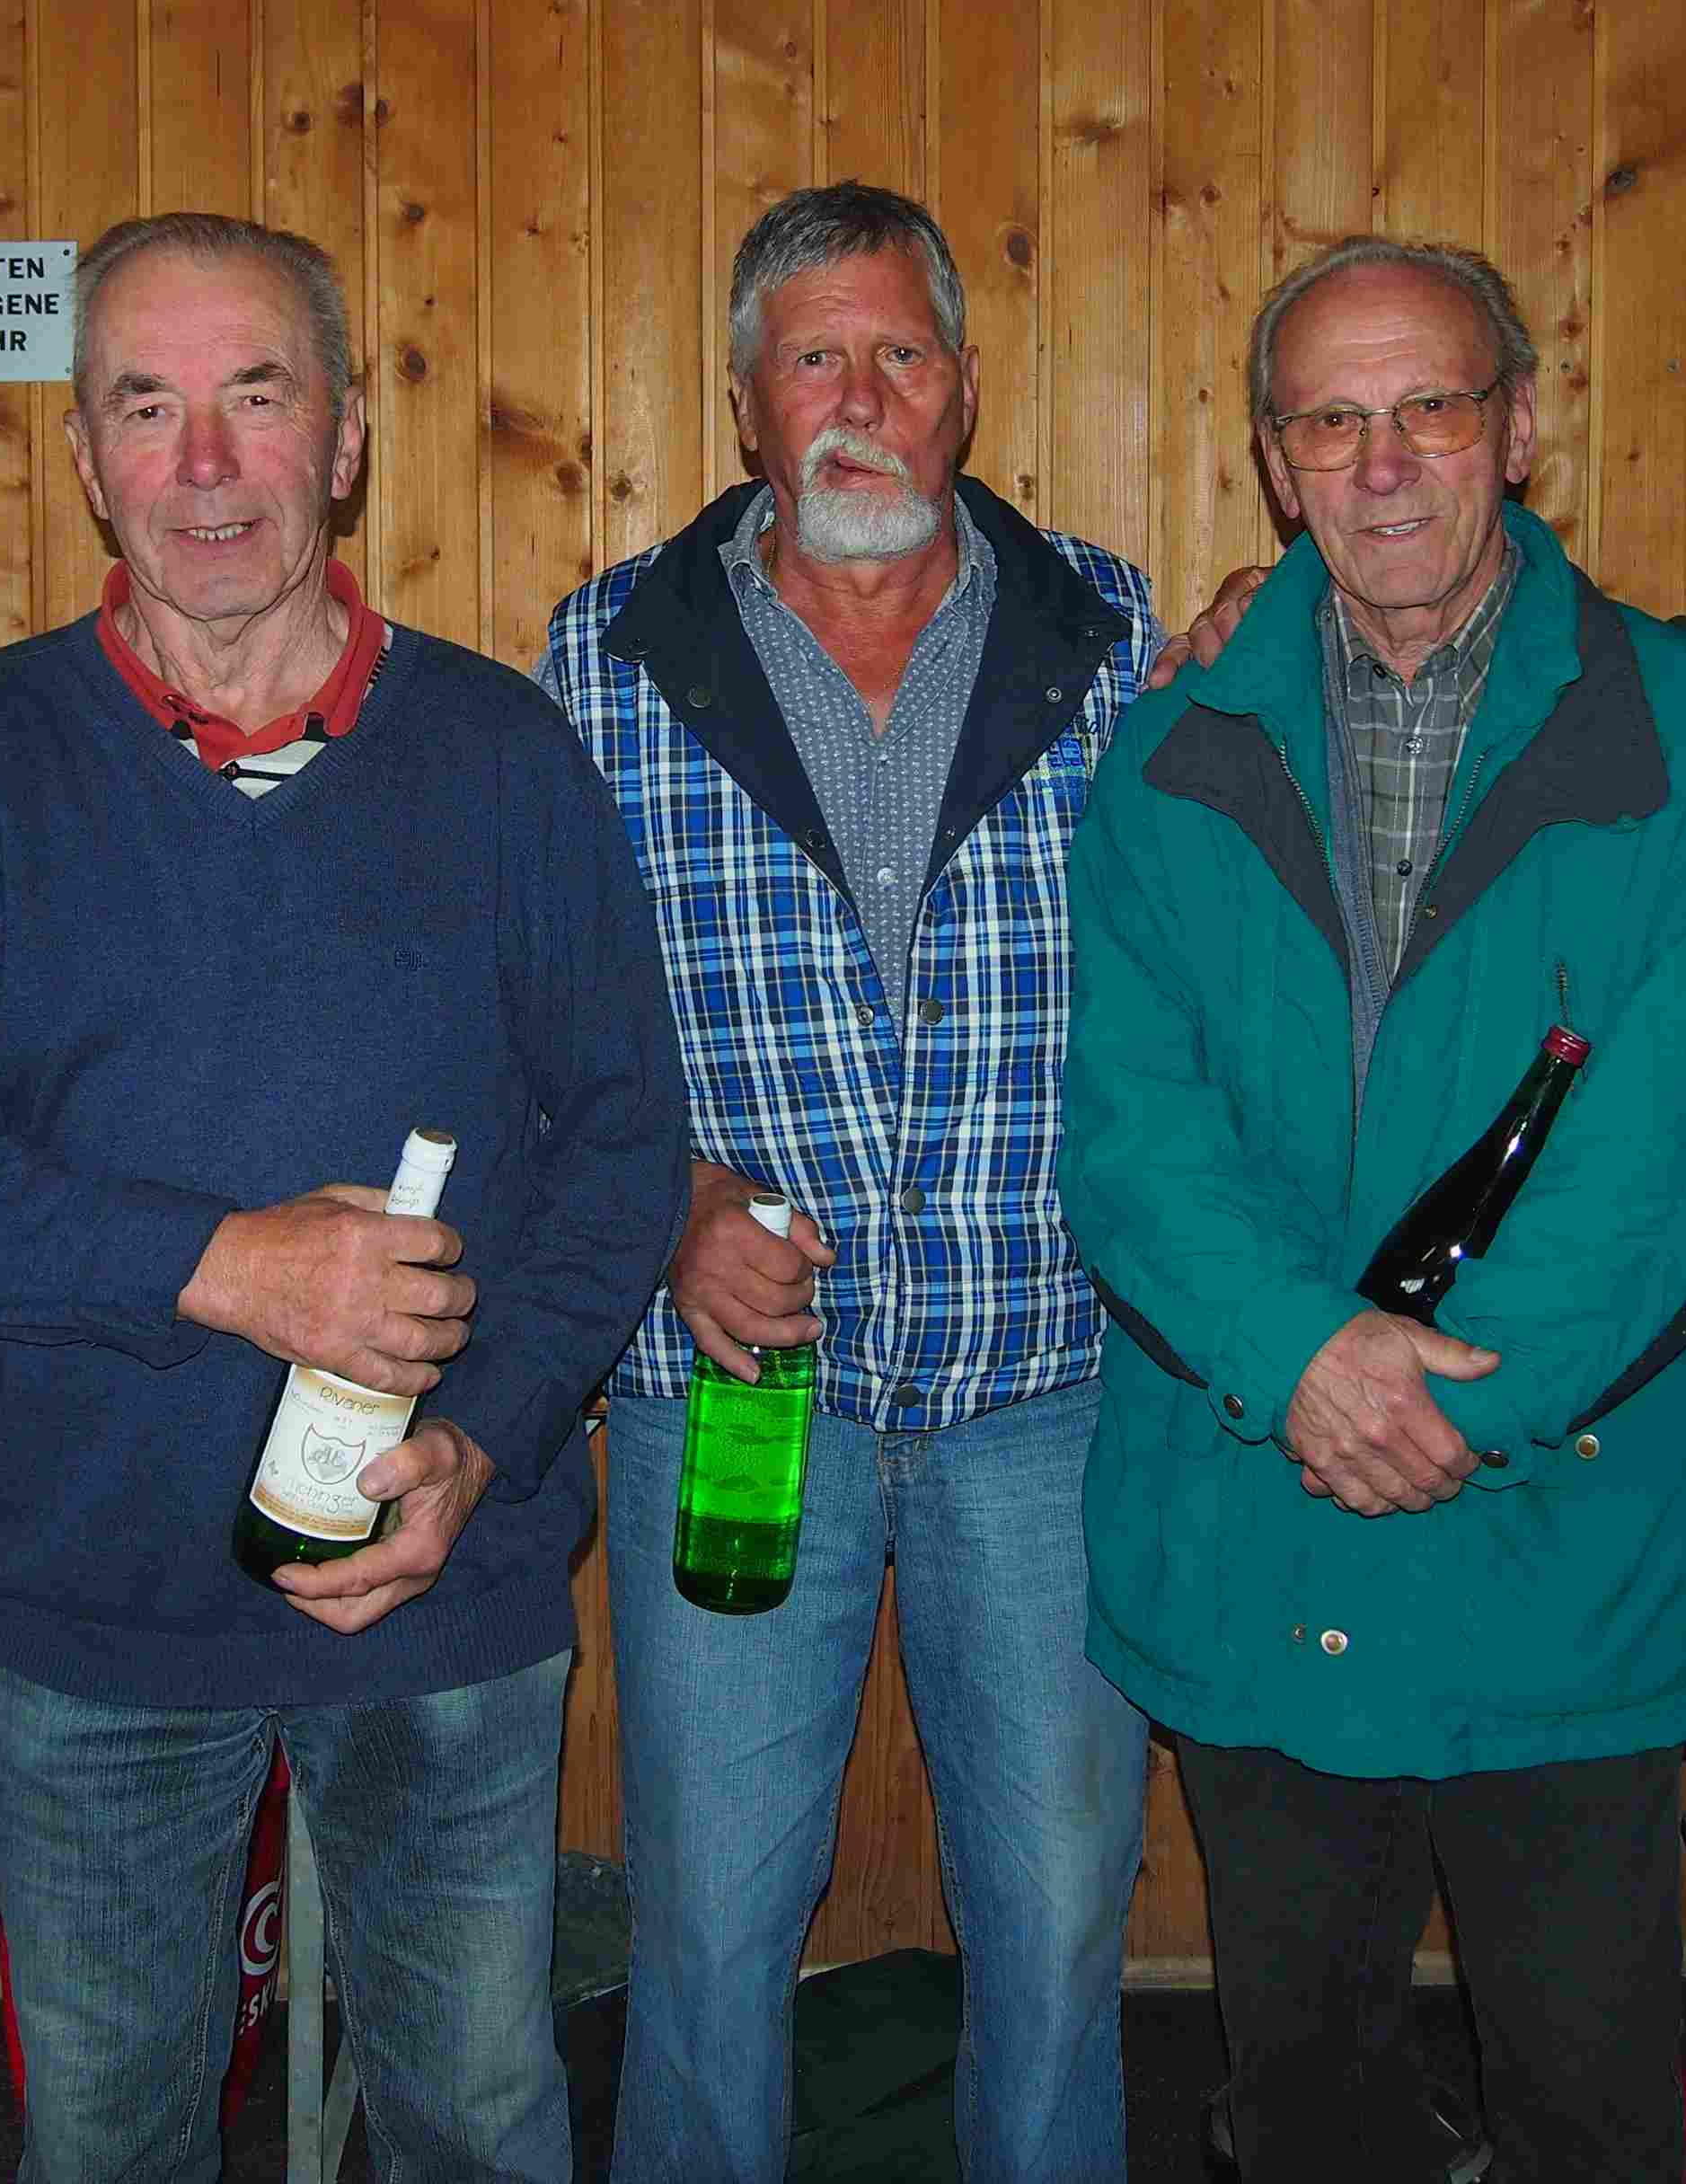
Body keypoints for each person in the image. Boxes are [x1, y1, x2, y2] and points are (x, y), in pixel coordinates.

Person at [0, 212, 688, 2184]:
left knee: (476, 2118)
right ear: (84, 456)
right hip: (94, 1615)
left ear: (346, 438)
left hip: (442, 1593)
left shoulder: (503, 757)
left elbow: (622, 1147)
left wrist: (485, 1438)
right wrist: (222, 1268)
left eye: (257, 398)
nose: (204, 465)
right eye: (147, 407)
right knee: (112, 2137)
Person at [1065, 234, 1686, 2180]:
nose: (1382, 462)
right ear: (1274, 465)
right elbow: (1130, 1130)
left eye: (1431, 407)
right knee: (1308, 2103)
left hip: (1555, 1528)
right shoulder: (1171, 746)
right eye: (1331, 420)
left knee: (1587, 2105)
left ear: (1522, 427)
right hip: (1262, 1512)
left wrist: (1451, 1398)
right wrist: (1302, 1356)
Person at [540, 182, 1161, 2183]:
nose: (862, 400)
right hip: (736, 1396)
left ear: (967, 388)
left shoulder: (1121, 640)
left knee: (1058, 1929)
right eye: (816, 357)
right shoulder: (607, 654)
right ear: (746, 402)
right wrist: (667, 1205)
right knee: (711, 1928)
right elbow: (534, 1020)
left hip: (1049, 1387)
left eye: (901, 353)